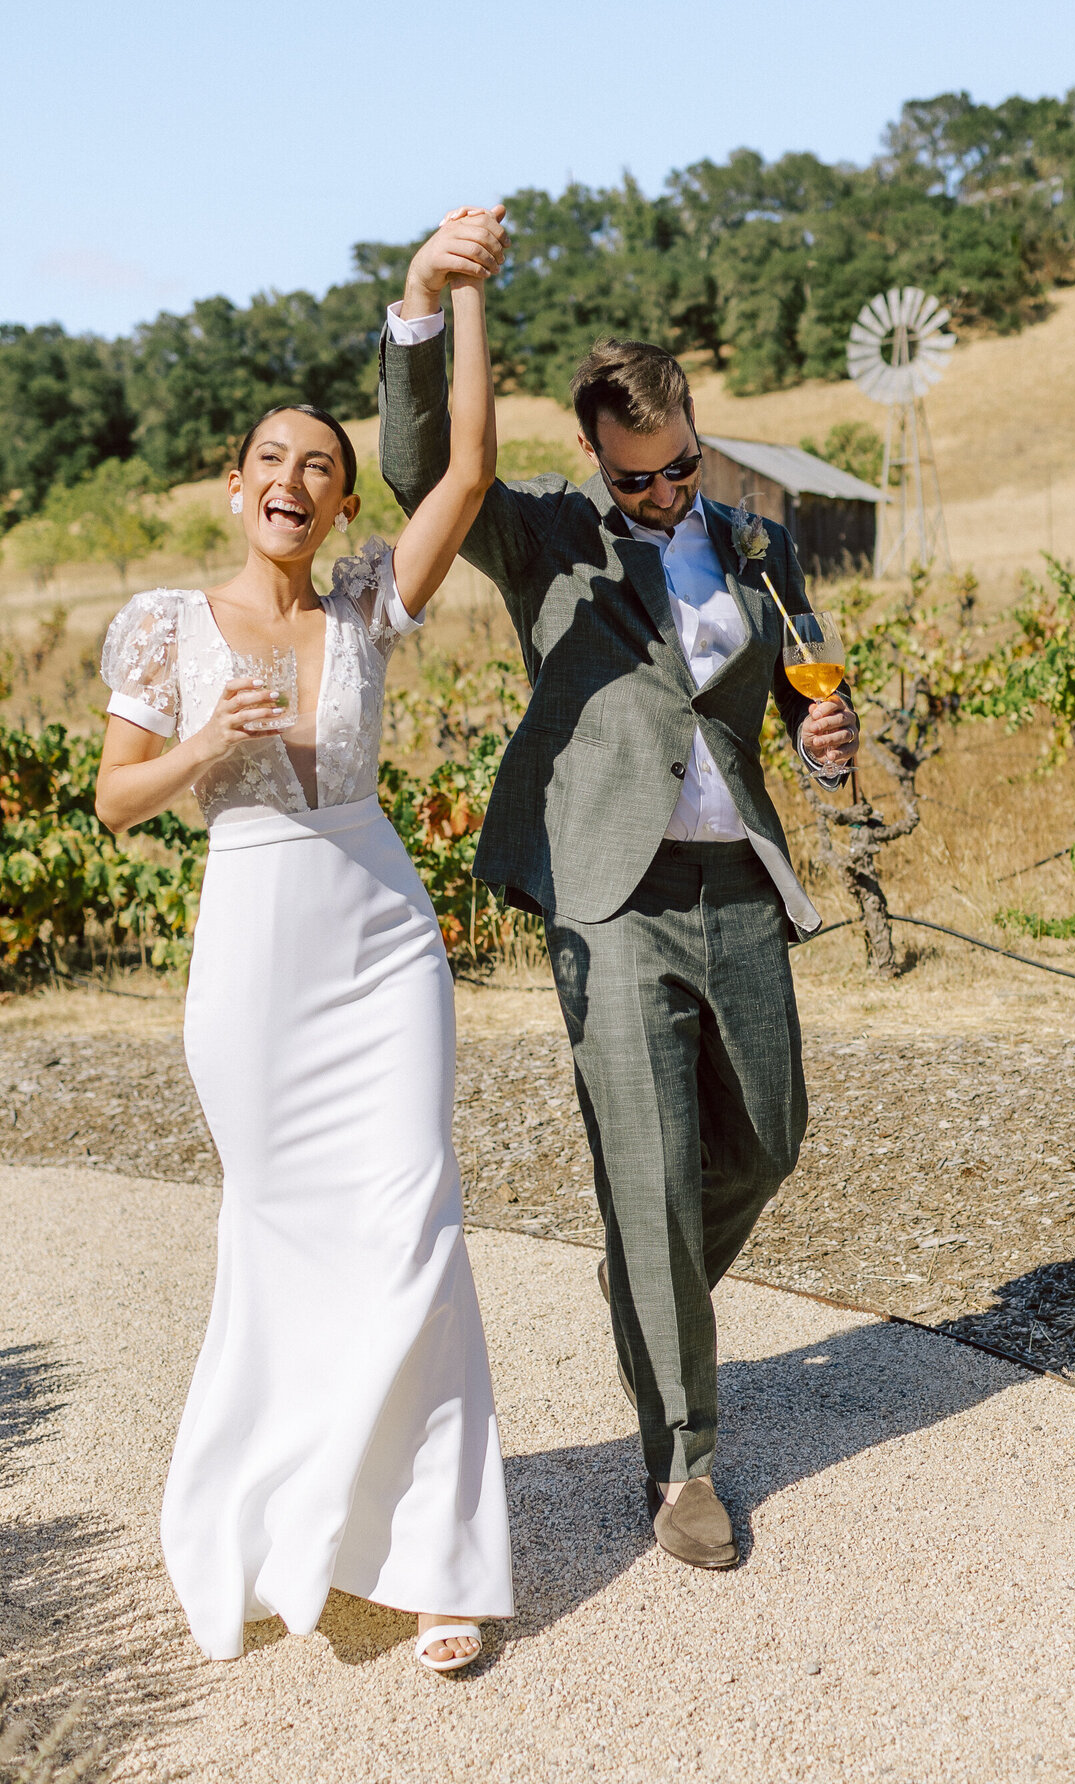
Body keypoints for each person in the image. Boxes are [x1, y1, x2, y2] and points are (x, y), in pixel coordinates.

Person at [379, 207, 859, 1572]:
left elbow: (809, 687)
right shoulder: (541, 538)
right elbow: (422, 468)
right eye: (637, 476)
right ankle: (684, 1468)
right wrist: (429, 299)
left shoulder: (763, 547)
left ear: (696, 439)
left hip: (740, 886)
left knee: (771, 1136)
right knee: (646, 1177)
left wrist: (833, 738)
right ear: (596, 454)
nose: (663, 494)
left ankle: (645, 1292)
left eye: (679, 469)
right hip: (607, 896)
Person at [94, 243, 513, 1672]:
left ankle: (443, 1567)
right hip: (253, 949)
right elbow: (114, 797)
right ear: (236, 486)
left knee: (416, 1227)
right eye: (272, 457)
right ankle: (290, 1514)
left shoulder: (361, 611)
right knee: (283, 1236)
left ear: (338, 500)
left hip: (380, 939)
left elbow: (464, 468)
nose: (296, 477)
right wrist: (205, 745)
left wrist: (456, 289)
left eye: (322, 464)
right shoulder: (159, 625)